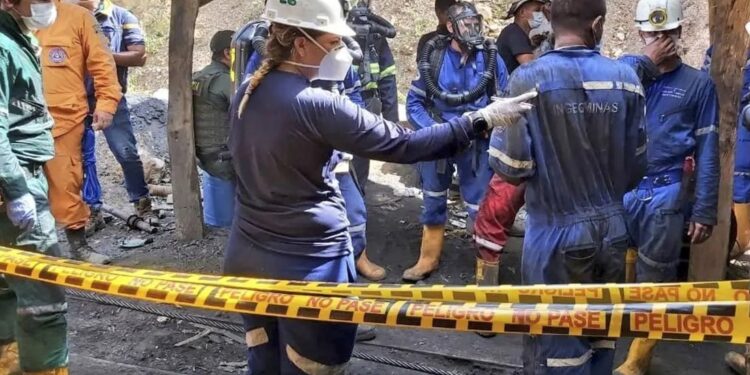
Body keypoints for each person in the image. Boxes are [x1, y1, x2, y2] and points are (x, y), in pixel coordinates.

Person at [222, 0, 533, 372]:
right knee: (309, 367)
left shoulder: (248, 91)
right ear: (301, 44)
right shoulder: (318, 104)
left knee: (265, 360)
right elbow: (404, 145)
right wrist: (481, 119)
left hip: (246, 259)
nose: (339, 50)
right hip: (308, 267)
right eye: (333, 41)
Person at [490, 0, 647, 372]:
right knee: (601, 335)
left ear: (551, 24)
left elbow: (511, 169)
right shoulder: (626, 79)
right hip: (613, 231)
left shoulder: (527, 80)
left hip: (554, 236)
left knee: (555, 345)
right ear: (597, 24)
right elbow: (637, 166)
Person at [615, 0, 720, 373]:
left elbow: (708, 149)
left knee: (655, 276)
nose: (660, 40)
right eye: (651, 33)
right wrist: (642, 61)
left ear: (679, 34)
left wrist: (704, 208)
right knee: (614, 265)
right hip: (622, 186)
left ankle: (637, 362)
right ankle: (619, 329)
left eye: (667, 33)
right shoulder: (626, 72)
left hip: (666, 193)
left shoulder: (698, 84)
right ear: (640, 33)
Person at [404, 1, 510, 282]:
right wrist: (434, 132)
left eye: (476, 23)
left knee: (480, 203)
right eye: (466, 24)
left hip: (476, 142)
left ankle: (483, 267)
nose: (472, 30)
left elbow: (505, 100)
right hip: (440, 139)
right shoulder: (434, 58)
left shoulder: (490, 58)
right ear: (451, 27)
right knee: (433, 197)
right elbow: (414, 103)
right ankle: (428, 258)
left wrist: (491, 125)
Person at [0, 1, 70, 374]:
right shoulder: (2, 45)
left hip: (16, 174)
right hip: (15, 177)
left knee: (6, 288)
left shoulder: (16, 38)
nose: (47, 5)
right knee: (44, 295)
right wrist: (16, 190)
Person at [36, 0, 121, 264]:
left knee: (66, 184)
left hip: (63, 121)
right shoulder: (8, 19)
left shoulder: (78, 17)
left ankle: (78, 247)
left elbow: (103, 63)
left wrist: (107, 103)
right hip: (12, 124)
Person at [472, 0, 550, 290]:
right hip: (518, 123)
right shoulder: (515, 34)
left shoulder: (538, 36)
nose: (543, 12)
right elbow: (531, 72)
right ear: (521, 12)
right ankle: (487, 290)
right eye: (538, 7)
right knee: (500, 202)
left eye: (547, 6)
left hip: (542, 130)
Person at [75, 0, 156, 230]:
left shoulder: (120, 17)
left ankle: (142, 203)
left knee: (126, 151)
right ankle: (91, 211)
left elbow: (139, 55)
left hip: (111, 97)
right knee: (80, 158)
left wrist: (99, 56)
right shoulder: (66, 16)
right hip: (76, 99)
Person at [347, 0, 399, 189]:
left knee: (360, 162)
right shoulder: (330, 31)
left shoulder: (376, 35)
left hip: (367, 104)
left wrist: (392, 122)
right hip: (337, 103)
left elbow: (387, 77)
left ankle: (357, 202)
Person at [192, 30, 236, 228]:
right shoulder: (224, 80)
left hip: (208, 159)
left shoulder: (200, 76)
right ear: (228, 53)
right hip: (225, 162)